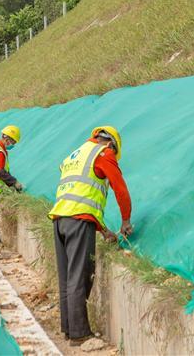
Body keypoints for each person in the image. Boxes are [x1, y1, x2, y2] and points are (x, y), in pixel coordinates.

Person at [48, 126, 133, 345]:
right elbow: (120, 188)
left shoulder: (76, 153)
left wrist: (103, 230)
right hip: (78, 221)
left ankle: (68, 328)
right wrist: (125, 220)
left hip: (60, 219)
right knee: (80, 275)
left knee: (67, 277)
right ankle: (79, 334)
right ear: (111, 144)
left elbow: (80, 194)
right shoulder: (104, 154)